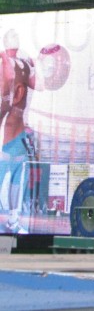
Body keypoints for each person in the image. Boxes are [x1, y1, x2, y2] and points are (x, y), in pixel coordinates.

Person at [0, 30, 36, 234]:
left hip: (16, 136)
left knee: (16, 178)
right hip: (9, 137)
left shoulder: (22, 65)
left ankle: (14, 220)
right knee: (11, 177)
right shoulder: (15, 65)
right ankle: (13, 219)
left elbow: (38, 84)